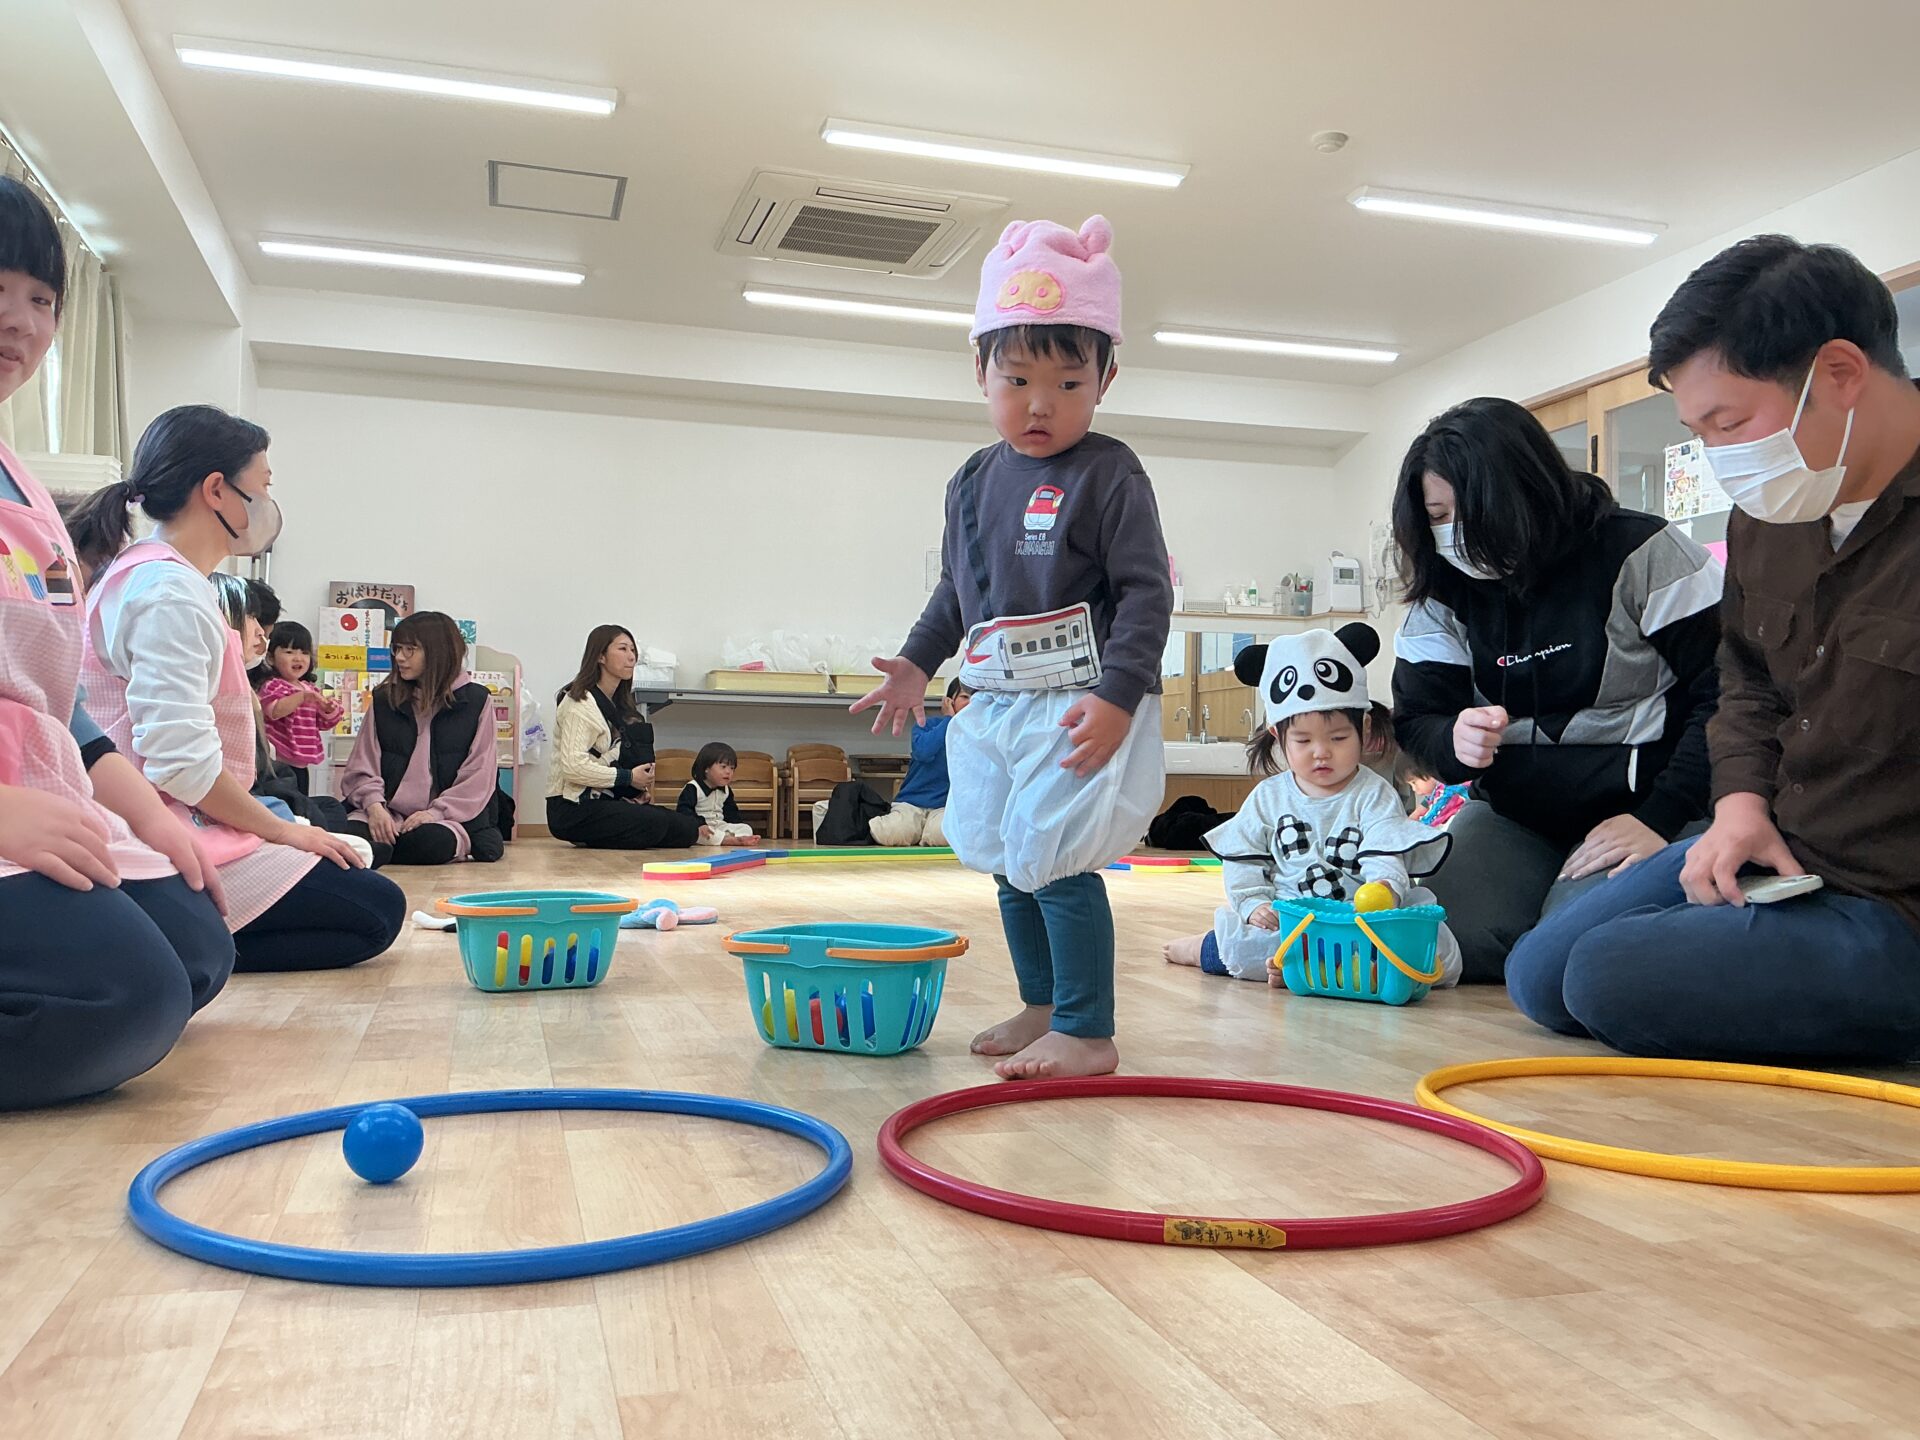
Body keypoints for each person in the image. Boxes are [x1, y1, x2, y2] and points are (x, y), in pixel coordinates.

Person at [1508, 236, 1920, 1063]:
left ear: (1840, 373)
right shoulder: (1772, 513)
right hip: (1780, 846)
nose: (1722, 458)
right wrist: (1739, 805)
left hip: (1890, 900)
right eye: (1698, 432)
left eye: (1730, 424)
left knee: (1604, 978)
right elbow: (1748, 683)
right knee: (1540, 972)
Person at [853, 215, 1172, 1079]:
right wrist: (917, 662)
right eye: (1018, 379)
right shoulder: (971, 480)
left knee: (1057, 858)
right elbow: (958, 591)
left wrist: (1118, 698)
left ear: (1105, 379)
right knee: (1005, 854)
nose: (1041, 404)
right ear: (981, 370)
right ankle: (1042, 1004)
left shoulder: (1110, 473)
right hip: (995, 700)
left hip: (1081, 701)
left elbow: (1147, 592)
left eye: (1069, 383)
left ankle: (1087, 1028)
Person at [0, 176, 237, 1109]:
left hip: (52, 798)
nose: (20, 322)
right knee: (129, 999)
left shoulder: (26, 490)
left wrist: (156, 822)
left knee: (197, 957)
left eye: (42, 300)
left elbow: (62, 707)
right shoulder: (165, 584)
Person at [1389, 396, 1722, 982]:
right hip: (1514, 817)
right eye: (1438, 517)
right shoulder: (1442, 590)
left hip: (1648, 808)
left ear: (1526, 490)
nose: (1454, 534)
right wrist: (1452, 741)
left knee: (1576, 954)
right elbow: (1417, 717)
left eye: (1468, 512)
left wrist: (1661, 816)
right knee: (1431, 940)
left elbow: (1727, 695)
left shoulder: (1643, 551)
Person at [64, 404, 405, 972]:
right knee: (375, 910)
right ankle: (167, 941)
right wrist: (284, 833)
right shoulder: (168, 593)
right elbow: (179, 766)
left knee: (353, 863)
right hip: (157, 827)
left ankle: (177, 939)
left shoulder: (155, 576)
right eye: (263, 485)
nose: (269, 503)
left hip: (183, 812)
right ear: (217, 490)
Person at [1162, 624, 1459, 984]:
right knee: (1241, 944)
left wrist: (1385, 889)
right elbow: (1244, 860)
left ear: (1364, 729)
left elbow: (1386, 854)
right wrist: (1254, 904)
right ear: (1278, 735)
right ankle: (1205, 950)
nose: (1321, 752)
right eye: (1303, 741)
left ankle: (1302, 971)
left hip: (1358, 921)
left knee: (1440, 946)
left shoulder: (1374, 793)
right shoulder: (1268, 797)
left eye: (1338, 738)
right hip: (1290, 919)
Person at [340, 610, 509, 868]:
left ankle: (382, 851)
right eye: (397, 648)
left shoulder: (476, 700)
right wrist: (374, 807)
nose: (400, 657)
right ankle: (382, 846)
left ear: (438, 652)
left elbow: (478, 774)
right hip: (386, 811)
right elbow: (362, 765)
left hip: (446, 817)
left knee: (432, 842)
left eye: (410, 649)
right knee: (350, 835)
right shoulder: (385, 699)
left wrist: (435, 813)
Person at [547, 624, 707, 850]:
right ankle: (592, 834)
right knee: (655, 823)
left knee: (684, 826)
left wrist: (632, 792)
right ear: (600, 656)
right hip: (571, 807)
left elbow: (609, 761)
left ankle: (706, 834)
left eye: (633, 650)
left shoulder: (618, 705)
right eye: (622, 649)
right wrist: (628, 778)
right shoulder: (579, 703)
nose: (631, 657)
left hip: (601, 800)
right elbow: (573, 767)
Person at [257, 621, 342, 794]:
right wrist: (301, 697)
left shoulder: (310, 688)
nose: (298, 658)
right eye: (289, 652)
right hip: (277, 763)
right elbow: (274, 711)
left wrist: (328, 709)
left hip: (302, 765)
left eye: (304, 653)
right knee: (284, 802)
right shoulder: (273, 685)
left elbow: (322, 723)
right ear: (271, 658)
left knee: (302, 804)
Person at [677, 742, 760, 845]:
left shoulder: (726, 790)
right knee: (700, 834)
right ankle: (728, 840)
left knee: (746, 828)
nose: (728, 772)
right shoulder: (693, 788)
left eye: (732, 768)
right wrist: (700, 824)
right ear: (706, 768)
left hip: (720, 826)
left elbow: (731, 812)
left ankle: (730, 838)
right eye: (723, 767)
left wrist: (736, 825)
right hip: (702, 827)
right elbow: (684, 811)